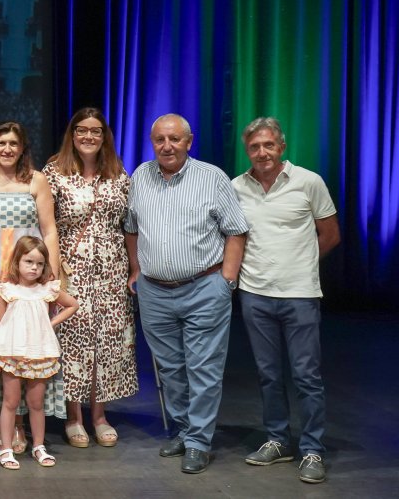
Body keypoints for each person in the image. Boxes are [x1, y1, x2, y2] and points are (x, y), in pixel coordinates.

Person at [124, 113, 249, 474]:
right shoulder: (140, 178)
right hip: (154, 292)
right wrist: (136, 268)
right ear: (152, 143)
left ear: (188, 142)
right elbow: (131, 227)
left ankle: (198, 441)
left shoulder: (212, 178)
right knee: (170, 369)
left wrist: (226, 280)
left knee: (204, 369)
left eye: (174, 139)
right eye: (160, 139)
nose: (167, 146)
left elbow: (236, 231)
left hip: (204, 288)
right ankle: (183, 428)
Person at [232, 117, 339, 484]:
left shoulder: (309, 182)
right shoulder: (236, 187)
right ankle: (278, 441)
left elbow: (330, 234)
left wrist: (300, 264)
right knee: (268, 374)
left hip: (300, 294)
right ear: (248, 150)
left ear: (282, 147)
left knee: (306, 375)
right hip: (255, 295)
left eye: (268, 145)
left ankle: (312, 449)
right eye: (254, 147)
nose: (262, 152)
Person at [0, 120, 63, 454]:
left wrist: (53, 274)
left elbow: (49, 231)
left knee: (25, 344)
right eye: (1, 143)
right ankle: (0, 422)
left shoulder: (37, 180)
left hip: (30, 274)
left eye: (13, 144)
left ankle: (22, 423)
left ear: (22, 149)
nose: (7, 149)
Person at [43, 108, 137, 448]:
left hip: (112, 269)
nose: (88, 137)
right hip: (72, 269)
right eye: (81, 130)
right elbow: (46, 226)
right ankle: (73, 416)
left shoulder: (118, 175)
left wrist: (135, 267)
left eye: (95, 131)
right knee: (73, 342)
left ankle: (99, 415)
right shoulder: (54, 173)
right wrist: (52, 272)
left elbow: (129, 226)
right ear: (72, 134)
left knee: (108, 341)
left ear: (104, 136)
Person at [0, 236, 79, 470]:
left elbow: (72, 305)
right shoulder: (7, 290)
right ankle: (7, 448)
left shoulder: (47, 290)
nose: (34, 268)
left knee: (36, 403)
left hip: (40, 352)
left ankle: (39, 446)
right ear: (17, 261)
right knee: (10, 401)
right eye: (29, 262)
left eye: (39, 264)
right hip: (12, 352)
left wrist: (51, 323)